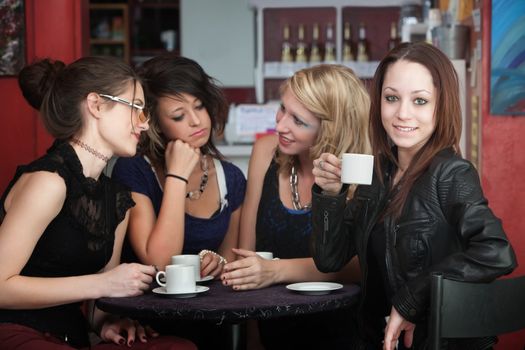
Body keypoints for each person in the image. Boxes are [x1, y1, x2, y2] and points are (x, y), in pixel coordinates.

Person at [311, 41, 517, 350]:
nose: (402, 113)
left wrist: (411, 299)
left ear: (441, 105)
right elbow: (330, 259)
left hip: (437, 342)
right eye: (391, 98)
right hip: (377, 339)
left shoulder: (451, 174)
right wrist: (330, 195)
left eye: (419, 101)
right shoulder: (378, 172)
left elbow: (497, 252)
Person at [0, 57, 196, 350]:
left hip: (72, 337)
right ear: (96, 105)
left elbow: (98, 305)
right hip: (17, 331)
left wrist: (107, 322)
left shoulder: (116, 199)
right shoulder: (49, 181)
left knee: (178, 347)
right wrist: (102, 284)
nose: (143, 125)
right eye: (137, 109)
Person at [221, 64, 369, 349]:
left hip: (341, 334)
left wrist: (275, 271)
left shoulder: (359, 170)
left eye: (298, 121)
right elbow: (246, 257)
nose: (280, 126)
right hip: (272, 331)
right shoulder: (265, 151)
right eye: (282, 108)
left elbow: (359, 268)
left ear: (331, 129)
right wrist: (253, 339)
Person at [111, 55, 245, 349]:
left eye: (199, 106)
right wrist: (176, 176)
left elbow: (232, 260)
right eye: (178, 116)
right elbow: (159, 262)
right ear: (156, 124)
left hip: (212, 321)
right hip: (148, 326)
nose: (196, 121)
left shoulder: (231, 178)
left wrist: (219, 263)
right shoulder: (133, 170)